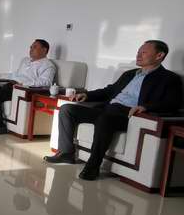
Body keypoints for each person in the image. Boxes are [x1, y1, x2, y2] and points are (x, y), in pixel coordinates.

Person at [45, 40, 182, 180]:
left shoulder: (169, 79)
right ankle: (66, 153)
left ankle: (93, 166)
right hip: (107, 109)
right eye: (138, 52)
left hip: (128, 116)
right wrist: (87, 95)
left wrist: (146, 107)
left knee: (104, 119)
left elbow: (172, 104)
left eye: (144, 52)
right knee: (67, 109)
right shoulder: (130, 74)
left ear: (159, 55)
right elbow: (109, 90)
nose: (138, 55)